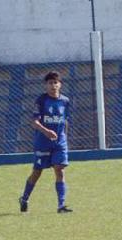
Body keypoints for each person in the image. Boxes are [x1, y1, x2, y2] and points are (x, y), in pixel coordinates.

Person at [18, 71, 73, 213]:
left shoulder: (65, 101)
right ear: (45, 85)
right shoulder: (41, 101)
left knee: (59, 169)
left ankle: (61, 205)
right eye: (50, 83)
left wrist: (64, 137)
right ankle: (24, 198)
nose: (53, 85)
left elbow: (65, 121)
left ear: (60, 85)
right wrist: (46, 131)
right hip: (43, 142)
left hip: (59, 142)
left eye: (56, 82)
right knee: (37, 172)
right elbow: (34, 122)